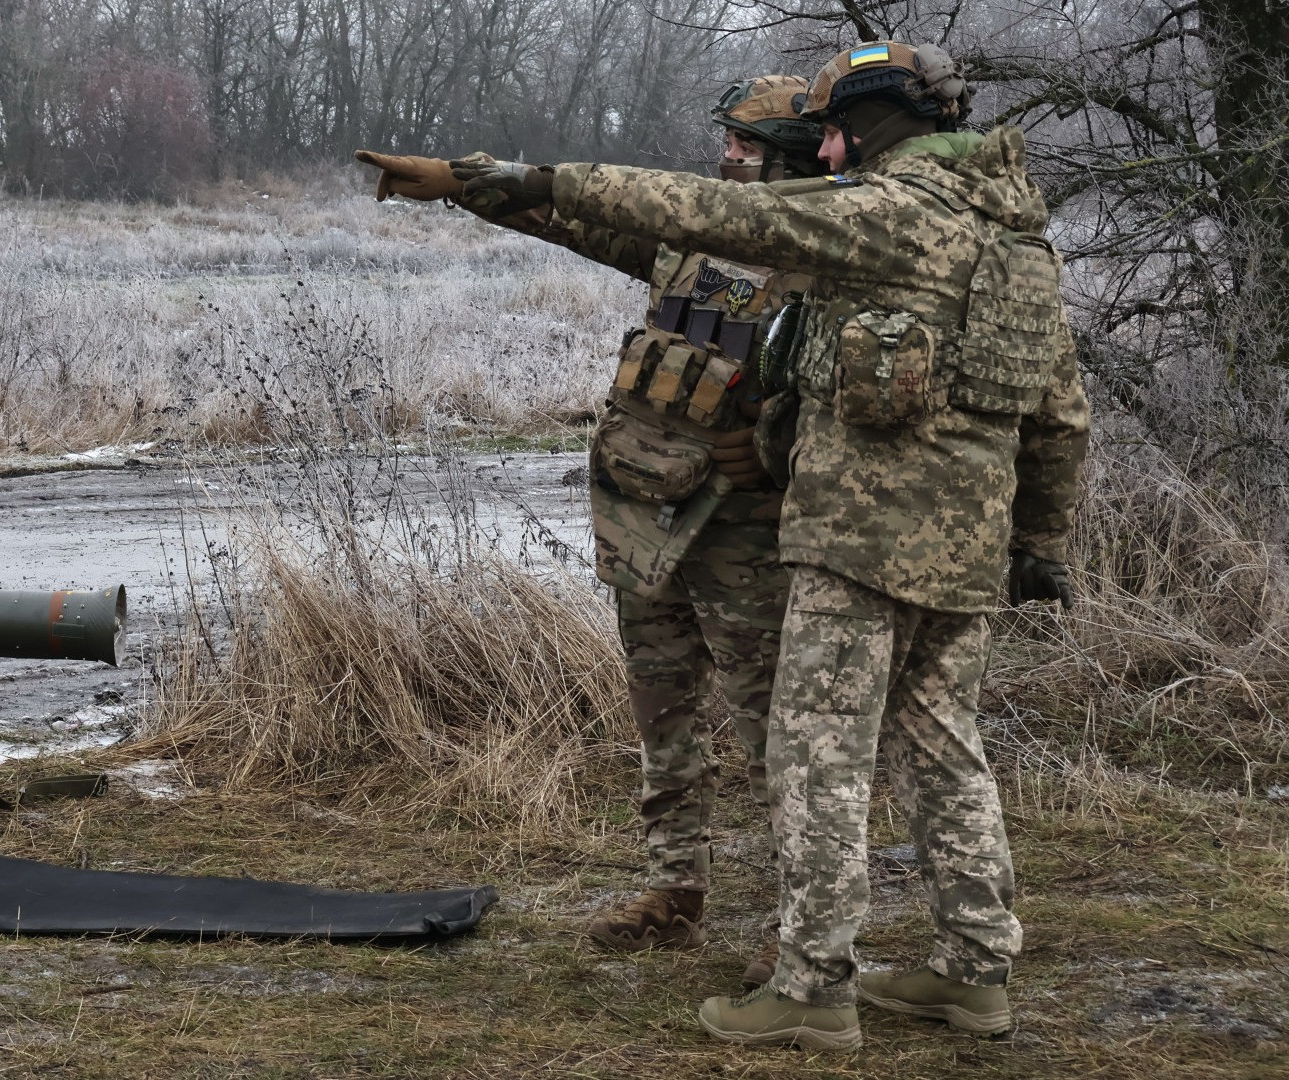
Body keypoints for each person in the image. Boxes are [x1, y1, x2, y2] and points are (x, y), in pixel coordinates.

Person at [448, 41, 1090, 1049]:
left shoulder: (879, 218)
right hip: (960, 551)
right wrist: (1041, 539)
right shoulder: (1014, 239)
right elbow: (1061, 416)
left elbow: (720, 220)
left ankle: (811, 985)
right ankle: (975, 969)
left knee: (813, 753)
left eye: (834, 132)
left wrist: (541, 176)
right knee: (944, 751)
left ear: (870, 128)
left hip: (857, 538)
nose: (827, 149)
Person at [358, 77, 822, 989]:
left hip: (750, 528)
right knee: (661, 707)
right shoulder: (691, 235)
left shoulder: (834, 256)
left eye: (747, 145)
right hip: (650, 509)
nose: (727, 156)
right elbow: (570, 214)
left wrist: (773, 453)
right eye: (727, 141)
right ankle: (674, 888)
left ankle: (799, 921)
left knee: (776, 730)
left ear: (797, 152)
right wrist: (459, 182)